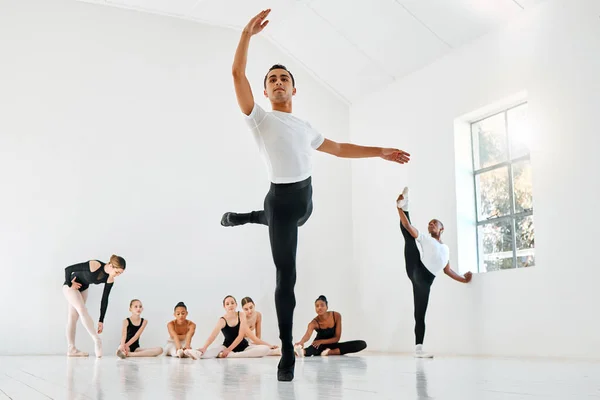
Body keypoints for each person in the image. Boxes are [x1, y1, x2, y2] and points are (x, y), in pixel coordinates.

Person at [223, 8, 411, 381]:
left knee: (285, 216)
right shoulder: (259, 118)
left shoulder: (306, 126)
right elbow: (236, 74)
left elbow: (339, 148)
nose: (278, 83)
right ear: (265, 91)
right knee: (286, 276)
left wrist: (380, 151)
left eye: (284, 79)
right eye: (272, 80)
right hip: (280, 203)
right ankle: (287, 352)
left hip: (305, 202)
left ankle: (249, 217)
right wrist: (246, 34)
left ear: (294, 88)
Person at [396, 187, 472, 358]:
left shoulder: (445, 248)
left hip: (426, 282)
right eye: (429, 223)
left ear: (441, 228)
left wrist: (464, 280)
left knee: (420, 314)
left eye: (434, 223)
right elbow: (407, 225)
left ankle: (418, 349)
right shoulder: (425, 238)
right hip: (416, 268)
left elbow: (448, 270)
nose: (430, 224)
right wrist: (398, 208)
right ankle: (404, 205)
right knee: (409, 236)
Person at [63, 255, 126, 358]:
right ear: (110, 265)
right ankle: (96, 339)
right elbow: (68, 269)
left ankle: (71, 349)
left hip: (83, 289)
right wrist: (70, 284)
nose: (118, 275)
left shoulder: (110, 279)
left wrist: (101, 320)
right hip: (70, 286)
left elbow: (104, 299)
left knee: (73, 317)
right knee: (81, 310)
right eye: (117, 272)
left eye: (120, 273)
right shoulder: (95, 265)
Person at [197, 295, 275, 359]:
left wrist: (228, 351)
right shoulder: (222, 320)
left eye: (232, 303)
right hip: (227, 346)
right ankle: (197, 352)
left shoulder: (241, 315)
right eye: (227, 304)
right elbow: (212, 336)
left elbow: (241, 335)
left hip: (243, 347)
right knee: (208, 353)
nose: (230, 305)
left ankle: (231, 355)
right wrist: (204, 347)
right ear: (224, 307)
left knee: (265, 349)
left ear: (236, 305)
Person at [294, 295, 366, 357]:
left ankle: (329, 352)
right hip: (319, 345)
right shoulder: (313, 323)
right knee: (310, 350)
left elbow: (337, 338)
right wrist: (301, 342)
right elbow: (308, 334)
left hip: (333, 345)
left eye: (322, 305)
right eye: (317, 306)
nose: (319, 308)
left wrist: (321, 341)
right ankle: (294, 352)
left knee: (362, 344)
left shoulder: (336, 316)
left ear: (327, 307)